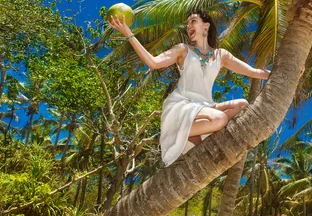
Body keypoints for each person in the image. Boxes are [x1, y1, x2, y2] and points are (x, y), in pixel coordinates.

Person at [108, 10, 270, 166]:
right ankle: (177, 134)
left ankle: (192, 135)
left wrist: (284, 72)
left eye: (193, 21)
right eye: (187, 24)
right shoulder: (183, 49)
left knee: (242, 104)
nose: (189, 26)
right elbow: (153, 62)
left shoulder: (221, 55)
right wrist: (128, 33)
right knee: (219, 119)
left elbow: (253, 72)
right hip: (183, 105)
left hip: (205, 106)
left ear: (206, 26)